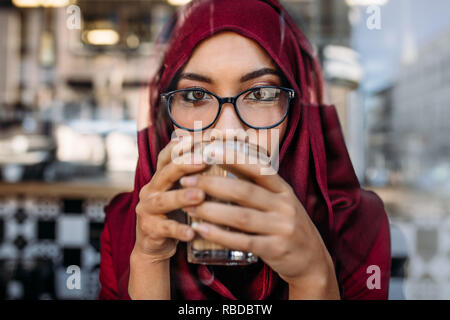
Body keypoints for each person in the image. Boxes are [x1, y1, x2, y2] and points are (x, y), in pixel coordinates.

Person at [99, 0, 391, 300]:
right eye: (195, 95)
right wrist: (149, 261)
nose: (228, 132)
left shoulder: (356, 227)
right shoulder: (126, 226)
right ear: (164, 116)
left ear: (296, 115)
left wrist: (312, 275)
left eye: (261, 94)